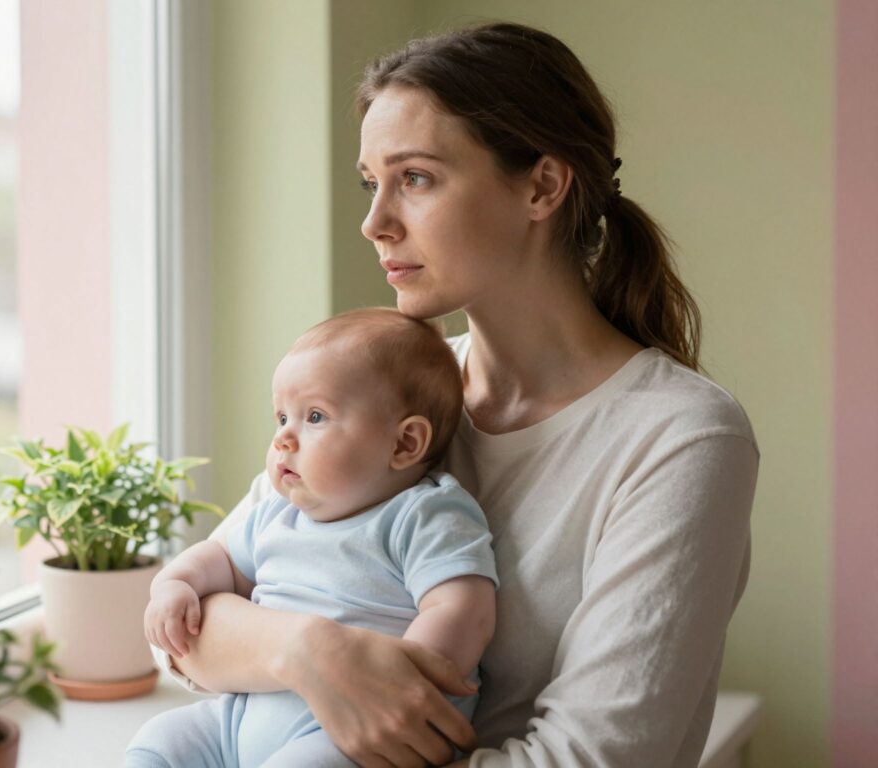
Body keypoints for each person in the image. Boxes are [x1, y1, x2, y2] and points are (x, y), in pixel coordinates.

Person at [156, 22, 759, 768]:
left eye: (415, 178)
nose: (374, 223)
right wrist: (313, 651)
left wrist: (277, 657)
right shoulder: (378, 396)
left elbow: (591, 759)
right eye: (372, 183)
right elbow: (185, 646)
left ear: (541, 186)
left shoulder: (681, 439)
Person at [127, 308, 499, 768]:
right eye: (281, 416)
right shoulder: (279, 514)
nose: (284, 437)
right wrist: (175, 584)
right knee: (160, 739)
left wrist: (404, 681)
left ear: (404, 445)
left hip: (348, 733)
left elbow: (463, 608)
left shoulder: (423, 513)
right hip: (240, 720)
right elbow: (219, 558)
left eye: (315, 416)